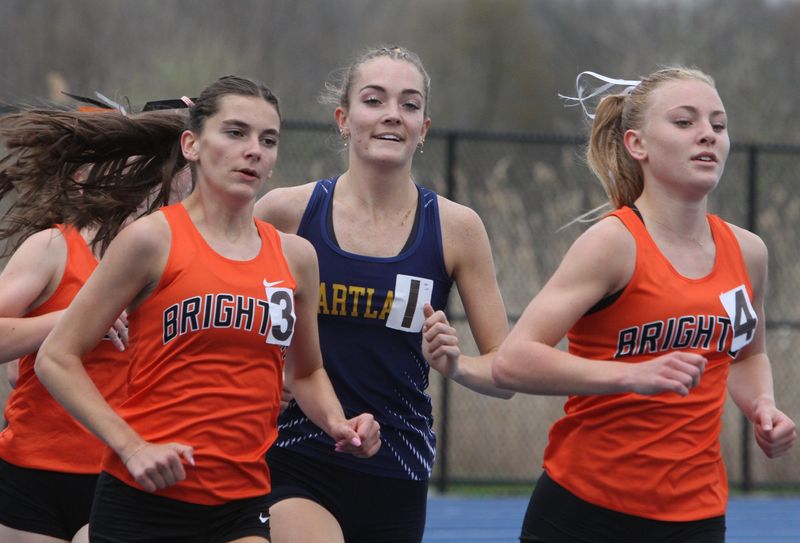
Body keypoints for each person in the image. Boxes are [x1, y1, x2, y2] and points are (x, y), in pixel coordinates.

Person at [35, 75, 381, 543]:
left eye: (268, 139)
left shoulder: (296, 257)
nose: (254, 149)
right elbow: (56, 357)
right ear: (192, 144)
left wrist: (339, 421)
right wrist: (131, 446)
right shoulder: (152, 240)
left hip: (243, 505)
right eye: (236, 133)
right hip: (144, 501)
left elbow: (305, 372)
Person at [492, 67, 797, 543]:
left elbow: (747, 354)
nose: (707, 136)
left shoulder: (748, 252)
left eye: (718, 125)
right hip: (584, 511)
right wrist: (631, 374)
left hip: (695, 516)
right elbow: (513, 361)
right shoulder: (613, 244)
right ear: (638, 144)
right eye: (684, 122)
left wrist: (763, 407)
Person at [254, 46, 512, 543]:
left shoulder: (457, 229)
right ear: (343, 119)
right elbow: (219, 307)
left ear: (424, 129)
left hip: (397, 463)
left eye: (409, 104)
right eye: (374, 100)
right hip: (298, 451)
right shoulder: (285, 212)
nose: (393, 114)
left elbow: (505, 374)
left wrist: (455, 364)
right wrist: (268, 373)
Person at [0, 106, 189, 543]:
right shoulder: (53, 246)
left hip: (124, 473)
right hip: (32, 473)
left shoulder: (176, 258)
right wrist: (67, 321)